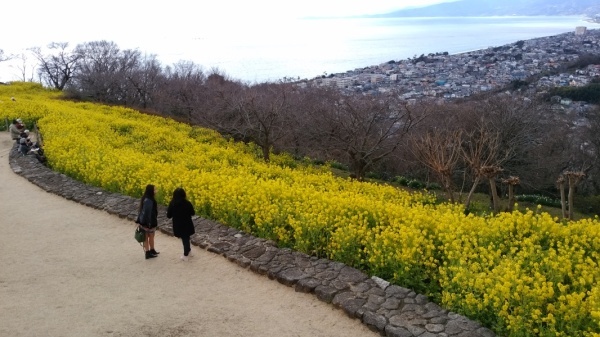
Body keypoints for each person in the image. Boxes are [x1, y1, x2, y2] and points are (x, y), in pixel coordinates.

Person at [167, 188, 196, 261]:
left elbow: (168, 215)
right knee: (186, 237)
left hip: (178, 224)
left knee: (185, 239)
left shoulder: (172, 204)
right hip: (187, 223)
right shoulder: (187, 203)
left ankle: (186, 255)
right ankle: (188, 251)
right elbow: (193, 213)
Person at [137, 184, 160, 259]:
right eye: (154, 189)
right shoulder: (149, 200)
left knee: (150, 236)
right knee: (148, 236)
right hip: (148, 222)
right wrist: (149, 223)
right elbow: (147, 212)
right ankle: (148, 252)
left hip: (146, 221)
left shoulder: (146, 198)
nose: (156, 191)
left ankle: (151, 250)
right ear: (151, 191)